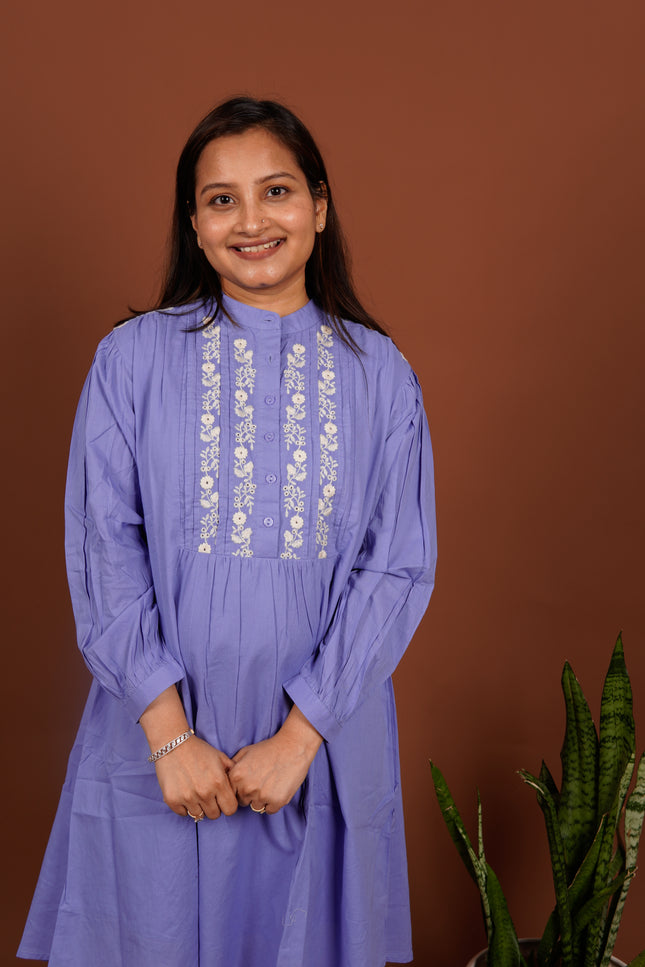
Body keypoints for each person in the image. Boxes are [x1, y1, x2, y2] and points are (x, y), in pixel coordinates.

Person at [18, 96, 437, 967]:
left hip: (318, 747)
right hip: (158, 745)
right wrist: (171, 738)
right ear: (194, 223)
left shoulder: (382, 377)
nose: (251, 221)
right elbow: (103, 548)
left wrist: (298, 737)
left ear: (319, 207)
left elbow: (394, 567)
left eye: (276, 191)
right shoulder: (129, 361)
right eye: (220, 200)